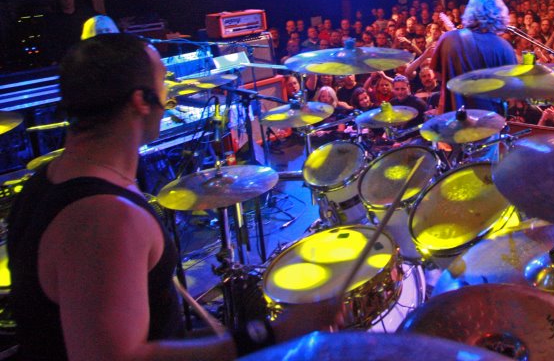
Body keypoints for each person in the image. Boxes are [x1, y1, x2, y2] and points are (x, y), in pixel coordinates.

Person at [8, 34, 324, 360]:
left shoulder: (45, 182)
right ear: (140, 101)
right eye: (164, 84)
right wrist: (272, 334)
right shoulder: (103, 218)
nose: (170, 94)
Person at [432, 0, 516, 114]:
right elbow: (510, 91)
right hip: (489, 122)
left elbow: (438, 74)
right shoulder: (504, 47)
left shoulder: (447, 39)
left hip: (452, 120)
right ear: (499, 15)